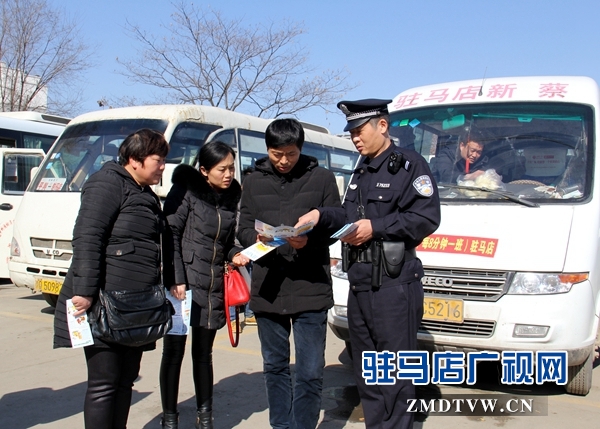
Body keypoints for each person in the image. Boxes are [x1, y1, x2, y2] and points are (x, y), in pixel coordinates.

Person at [296, 99, 441, 429]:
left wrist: (376, 227)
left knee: (396, 375)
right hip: (360, 283)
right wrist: (320, 215)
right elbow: (348, 217)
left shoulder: (410, 165)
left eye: (360, 131)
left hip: (393, 285)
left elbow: (426, 218)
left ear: (383, 126)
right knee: (370, 373)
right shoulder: (361, 169)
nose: (355, 139)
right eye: (351, 134)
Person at [53, 128, 169, 429]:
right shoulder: (106, 183)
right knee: (104, 384)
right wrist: (85, 291)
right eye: (158, 159)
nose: (163, 166)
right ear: (135, 159)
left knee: (125, 380)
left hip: (136, 306)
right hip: (105, 303)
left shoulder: (143, 192)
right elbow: (88, 238)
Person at [236, 118, 342, 429]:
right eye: (276, 154)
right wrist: (256, 238)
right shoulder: (253, 181)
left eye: (291, 154)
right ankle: (281, 426)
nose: (283, 161)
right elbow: (243, 226)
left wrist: (309, 240)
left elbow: (336, 224)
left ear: (301, 149)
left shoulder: (322, 178)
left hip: (311, 286)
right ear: (267, 149)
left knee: (310, 371)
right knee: (275, 366)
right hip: (269, 286)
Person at [159, 141, 249, 429]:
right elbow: (169, 233)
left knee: (203, 354)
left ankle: (205, 417)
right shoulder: (186, 190)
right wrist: (176, 278)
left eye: (231, 168)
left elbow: (228, 241)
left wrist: (235, 254)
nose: (228, 174)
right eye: (222, 169)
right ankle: (170, 418)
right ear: (204, 170)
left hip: (211, 286)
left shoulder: (232, 197)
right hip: (182, 287)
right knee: (173, 353)